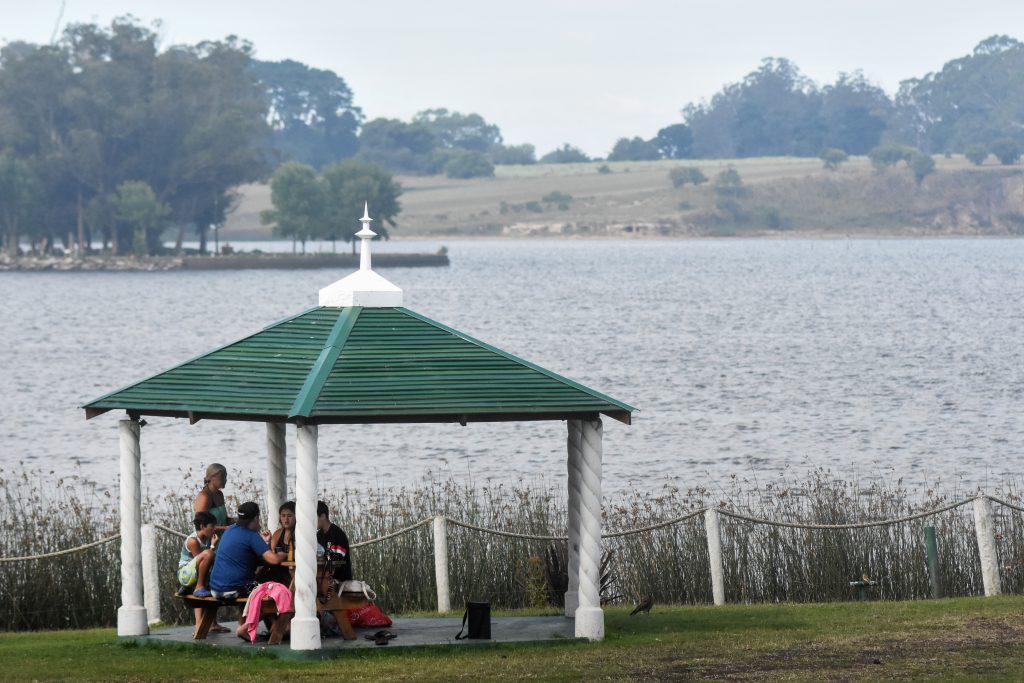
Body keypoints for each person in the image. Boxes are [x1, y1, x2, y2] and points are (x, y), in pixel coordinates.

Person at [208, 501, 289, 640]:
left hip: (215, 588)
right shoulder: (251, 535)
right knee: (273, 592)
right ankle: (247, 628)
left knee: (258, 585)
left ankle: (271, 626)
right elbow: (274, 560)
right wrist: (284, 554)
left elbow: (243, 554)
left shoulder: (230, 530)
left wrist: (264, 544)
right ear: (256, 518)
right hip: (233, 589)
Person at [176, 511, 228, 632]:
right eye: (212, 527)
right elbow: (202, 559)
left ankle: (212, 623)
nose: (214, 529)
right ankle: (199, 624)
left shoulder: (206, 537)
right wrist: (212, 547)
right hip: (185, 574)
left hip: (196, 572)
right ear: (202, 526)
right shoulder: (193, 541)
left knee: (212, 586)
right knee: (209, 555)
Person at [258, 501, 295, 586]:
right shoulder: (277, 534)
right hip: (277, 572)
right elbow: (271, 554)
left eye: (289, 516)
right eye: (283, 516)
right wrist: (267, 541)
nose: (286, 519)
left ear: (296, 516)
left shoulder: (299, 534)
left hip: (293, 573)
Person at [316, 500, 353, 583]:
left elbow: (338, 558)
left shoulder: (338, 534)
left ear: (323, 516)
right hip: (324, 575)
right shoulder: (319, 534)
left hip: (340, 578)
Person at [194, 463, 231, 531]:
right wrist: (225, 528)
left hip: (221, 536)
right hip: (207, 539)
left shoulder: (220, 494)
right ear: (211, 477)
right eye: (222, 476)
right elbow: (200, 525)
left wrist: (239, 521)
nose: (225, 480)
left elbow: (223, 520)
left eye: (226, 476)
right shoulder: (204, 497)